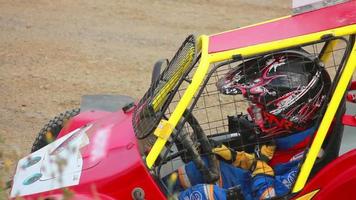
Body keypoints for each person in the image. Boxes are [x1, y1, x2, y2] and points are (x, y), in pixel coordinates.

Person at [165, 50, 331, 200]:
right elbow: (261, 164)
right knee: (202, 166)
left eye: (258, 107)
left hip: (258, 193)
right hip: (251, 185)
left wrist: (259, 170)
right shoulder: (284, 138)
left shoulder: (309, 158)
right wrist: (234, 156)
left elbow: (271, 195)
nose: (251, 112)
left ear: (286, 109)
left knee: (202, 195)